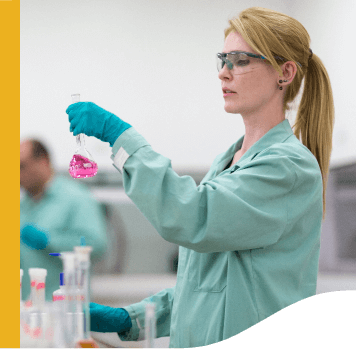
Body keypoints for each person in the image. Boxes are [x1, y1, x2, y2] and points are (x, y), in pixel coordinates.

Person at [66, 6, 334, 347]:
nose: (224, 72)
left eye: (240, 60)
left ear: (285, 72)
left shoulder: (288, 168)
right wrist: (130, 318)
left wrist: (121, 137)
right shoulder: (228, 161)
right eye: (223, 59)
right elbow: (206, 288)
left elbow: (191, 216)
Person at [20, 138, 108, 301]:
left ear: (43, 162)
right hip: (28, 308)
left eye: (21, 166)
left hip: (65, 309)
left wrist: (50, 241)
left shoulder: (76, 198)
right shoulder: (21, 206)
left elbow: (97, 245)